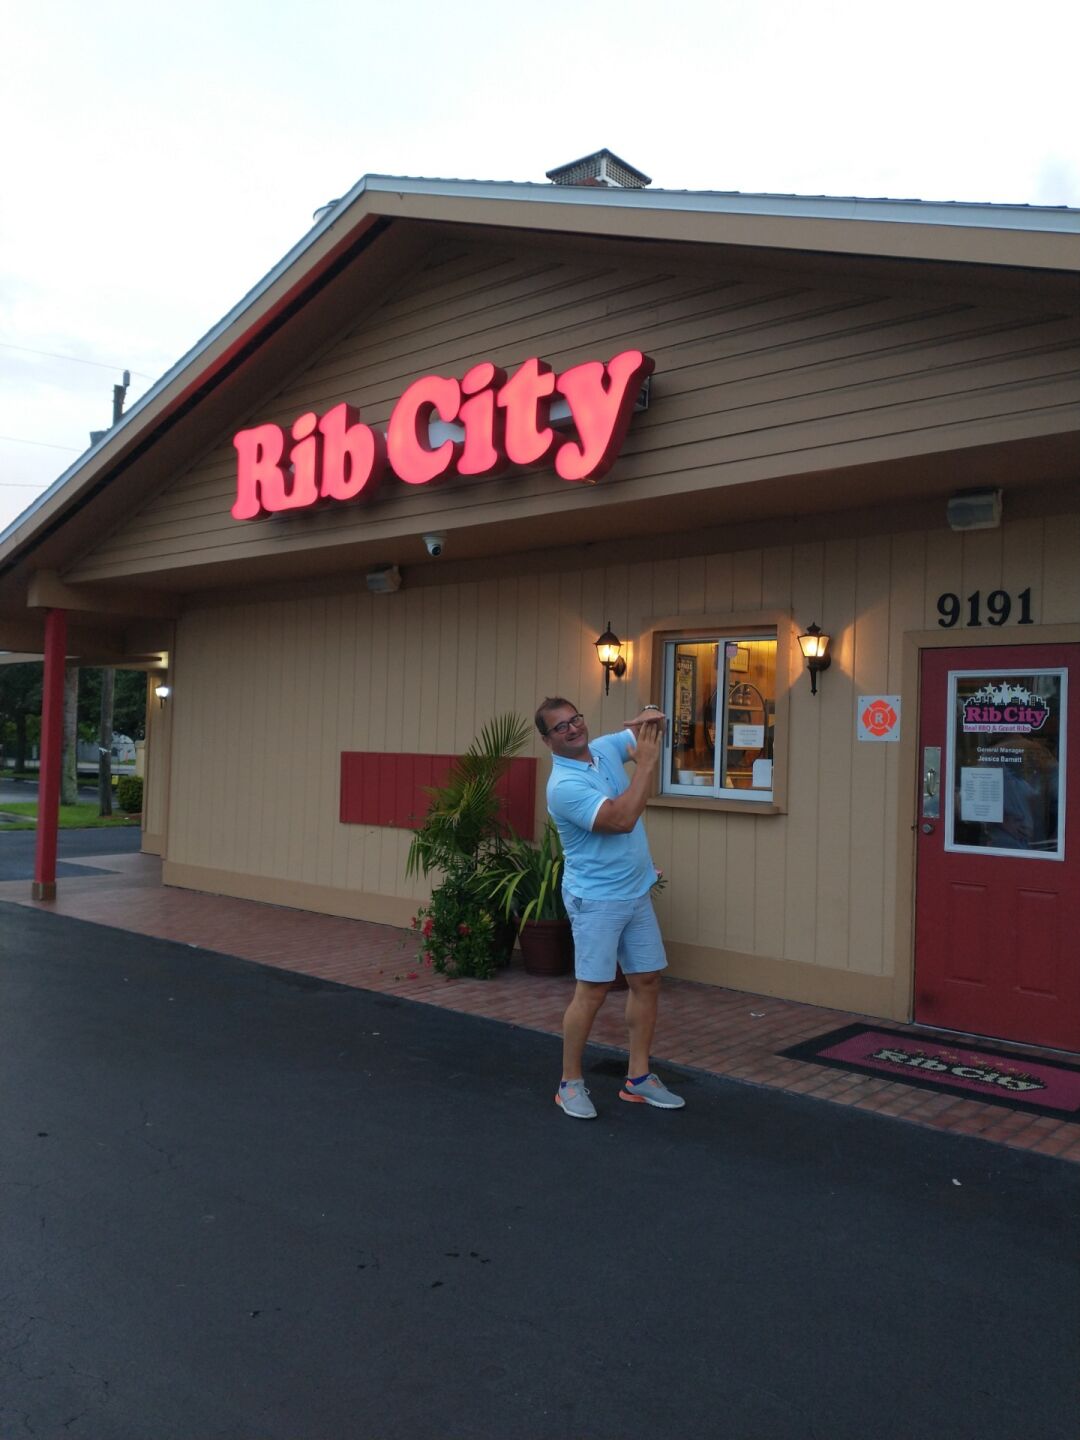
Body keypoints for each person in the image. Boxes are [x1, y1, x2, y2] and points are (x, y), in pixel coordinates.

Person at [535, 696, 685, 1120]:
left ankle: (638, 1079)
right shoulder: (564, 787)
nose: (572, 729)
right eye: (560, 727)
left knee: (647, 980)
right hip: (597, 900)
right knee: (593, 991)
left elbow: (646, 733)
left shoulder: (602, 749)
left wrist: (651, 713)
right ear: (547, 740)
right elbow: (621, 819)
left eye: (575, 719)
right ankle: (569, 1084)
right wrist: (647, 765)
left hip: (635, 891)